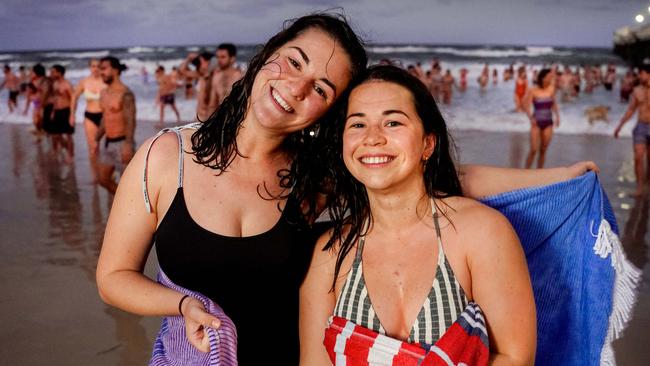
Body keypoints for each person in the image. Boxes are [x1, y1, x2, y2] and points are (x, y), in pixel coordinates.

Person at [96, 12, 596, 365]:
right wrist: (181, 304)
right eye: (294, 62)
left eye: (320, 89)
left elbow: (444, 179)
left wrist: (558, 176)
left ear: (326, 113)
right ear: (267, 55)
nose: (296, 87)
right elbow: (114, 276)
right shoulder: (165, 158)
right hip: (196, 361)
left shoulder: (315, 177)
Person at [300, 64, 536, 366]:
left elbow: (515, 357)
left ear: (428, 143)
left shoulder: (481, 232)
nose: (372, 138)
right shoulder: (329, 255)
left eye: (393, 123)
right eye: (357, 125)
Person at [96, 56, 136, 194]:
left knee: (130, 186)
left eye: (104, 69)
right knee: (102, 179)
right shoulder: (104, 93)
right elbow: (105, 118)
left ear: (116, 70)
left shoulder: (125, 93)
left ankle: (131, 208)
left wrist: (128, 144)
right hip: (108, 143)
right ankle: (123, 203)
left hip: (122, 143)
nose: (101, 72)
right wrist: (96, 139)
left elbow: (130, 120)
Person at [614, 63, 650, 196]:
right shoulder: (637, 90)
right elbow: (630, 110)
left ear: (648, 73)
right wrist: (619, 126)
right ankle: (639, 188)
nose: (639, 76)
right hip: (641, 126)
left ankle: (647, 183)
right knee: (638, 157)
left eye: (641, 73)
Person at [70, 59, 107, 180]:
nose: (95, 69)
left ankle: (107, 174)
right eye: (93, 66)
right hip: (90, 116)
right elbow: (74, 97)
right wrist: (72, 114)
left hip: (105, 117)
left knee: (107, 148)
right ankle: (95, 175)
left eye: (98, 66)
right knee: (93, 147)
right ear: (90, 67)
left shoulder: (106, 81)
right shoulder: (84, 82)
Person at [524, 68, 559, 169]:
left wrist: (557, 116)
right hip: (536, 122)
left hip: (548, 122)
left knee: (543, 150)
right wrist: (531, 118)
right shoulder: (533, 90)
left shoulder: (551, 89)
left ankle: (539, 172)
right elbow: (526, 106)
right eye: (549, 77)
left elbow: (554, 104)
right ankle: (525, 172)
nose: (551, 78)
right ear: (543, 78)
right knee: (534, 149)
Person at [49, 64, 75, 160]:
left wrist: (72, 114)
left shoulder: (67, 84)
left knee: (68, 135)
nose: (51, 74)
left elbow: (73, 99)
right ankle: (66, 150)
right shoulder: (55, 84)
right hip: (57, 111)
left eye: (53, 72)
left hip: (66, 111)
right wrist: (53, 111)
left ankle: (70, 155)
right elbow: (55, 99)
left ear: (59, 73)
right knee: (56, 135)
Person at [208, 43, 243, 110]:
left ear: (232, 58)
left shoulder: (241, 77)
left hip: (239, 116)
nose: (219, 60)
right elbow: (212, 105)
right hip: (222, 117)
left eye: (223, 57)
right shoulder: (216, 78)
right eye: (217, 57)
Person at [179, 51, 214, 121]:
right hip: (199, 115)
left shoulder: (213, 76)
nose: (199, 64)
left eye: (202, 61)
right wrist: (188, 59)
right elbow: (182, 70)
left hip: (209, 116)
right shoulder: (199, 75)